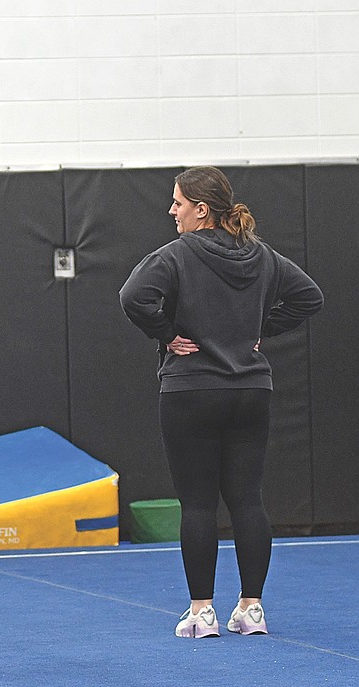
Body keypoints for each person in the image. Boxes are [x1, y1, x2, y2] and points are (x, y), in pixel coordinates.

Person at [119, 166, 323, 639]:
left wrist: (167, 334)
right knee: (248, 499)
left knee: (197, 503)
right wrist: (258, 332)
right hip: (251, 390)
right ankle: (252, 608)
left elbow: (133, 296)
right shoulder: (262, 257)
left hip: (192, 390)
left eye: (178, 203)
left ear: (201, 209)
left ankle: (202, 610)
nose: (172, 211)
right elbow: (308, 297)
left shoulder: (174, 256)